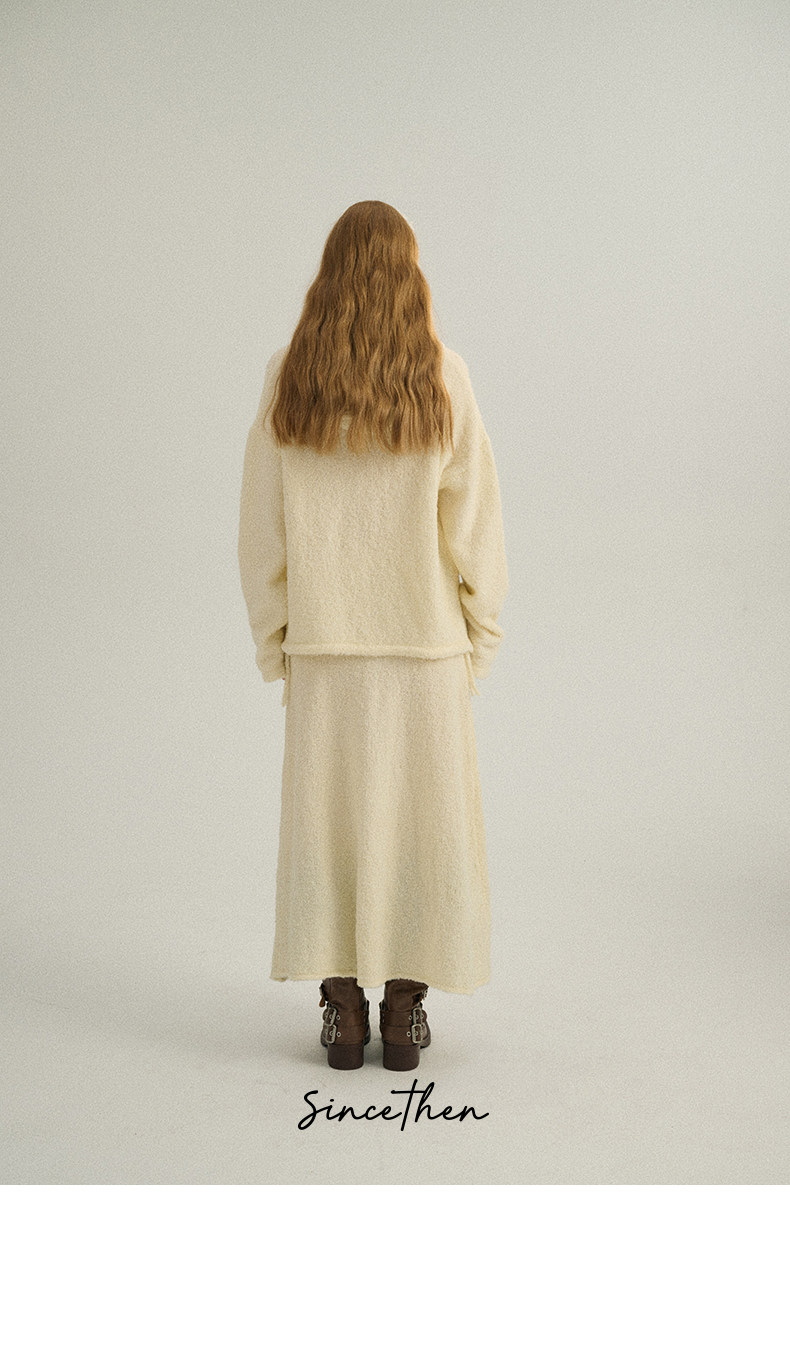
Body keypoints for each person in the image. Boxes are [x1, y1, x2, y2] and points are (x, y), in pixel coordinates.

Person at [238, 200, 508, 1071]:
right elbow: (476, 523)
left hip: (327, 653)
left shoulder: (289, 377)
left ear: (329, 274)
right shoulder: (443, 376)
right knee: (424, 833)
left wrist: (277, 641)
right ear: (410, 272)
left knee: (328, 833)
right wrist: (481, 634)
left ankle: (343, 1014)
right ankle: (404, 1012)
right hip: (424, 653)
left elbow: (262, 532)